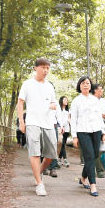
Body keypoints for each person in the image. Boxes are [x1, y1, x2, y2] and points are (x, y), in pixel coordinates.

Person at [17, 58, 58, 196]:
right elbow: (20, 103)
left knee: (51, 155)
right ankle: (39, 183)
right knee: (34, 152)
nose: (45, 70)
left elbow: (54, 103)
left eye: (47, 68)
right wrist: (21, 122)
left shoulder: (50, 86)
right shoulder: (27, 84)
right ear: (35, 68)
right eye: (43, 67)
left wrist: (53, 106)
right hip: (32, 122)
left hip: (47, 123)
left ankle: (38, 173)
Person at [70, 76, 105, 197]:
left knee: (94, 155)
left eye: (88, 83)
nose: (86, 85)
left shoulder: (95, 100)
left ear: (90, 86)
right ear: (79, 86)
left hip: (96, 130)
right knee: (90, 156)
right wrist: (74, 136)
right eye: (83, 83)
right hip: (82, 131)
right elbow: (73, 119)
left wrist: (103, 133)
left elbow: (99, 117)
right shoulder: (76, 101)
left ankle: (83, 177)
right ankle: (93, 185)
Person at [91, 84, 105, 178]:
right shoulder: (90, 100)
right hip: (94, 126)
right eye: (100, 89)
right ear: (95, 90)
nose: (102, 91)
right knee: (96, 149)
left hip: (104, 124)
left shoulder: (103, 100)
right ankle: (99, 170)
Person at [58, 96, 70, 167]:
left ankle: (59, 159)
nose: (66, 101)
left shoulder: (68, 110)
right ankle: (65, 159)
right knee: (62, 144)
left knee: (63, 145)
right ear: (61, 100)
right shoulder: (58, 110)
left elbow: (69, 119)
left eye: (67, 100)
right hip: (60, 129)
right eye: (65, 100)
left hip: (67, 129)